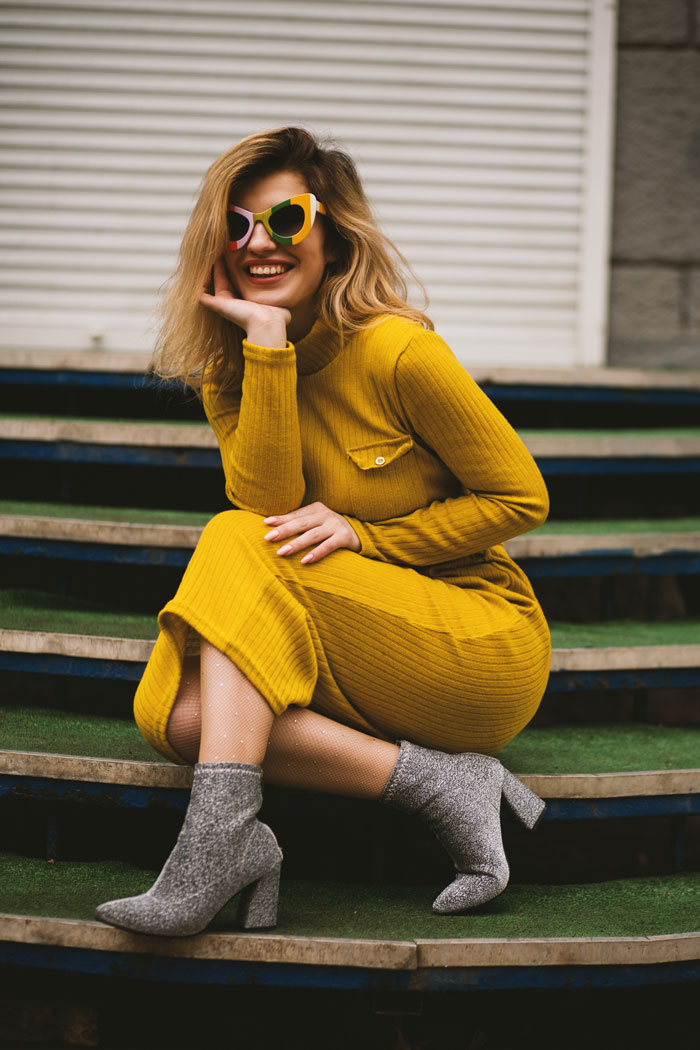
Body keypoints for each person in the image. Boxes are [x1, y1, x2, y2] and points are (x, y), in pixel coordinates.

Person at [96, 126, 551, 937]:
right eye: (235, 226)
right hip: (348, 637)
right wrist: (265, 348)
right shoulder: (231, 370)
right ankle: (439, 784)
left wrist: (366, 536)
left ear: (332, 229)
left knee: (235, 540)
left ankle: (217, 844)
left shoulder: (398, 351)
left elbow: (520, 499)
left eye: (286, 220)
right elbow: (271, 499)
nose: (258, 244)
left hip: (475, 643)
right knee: (175, 714)